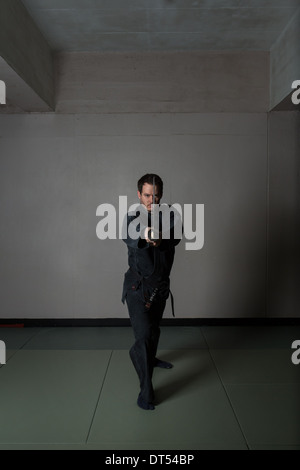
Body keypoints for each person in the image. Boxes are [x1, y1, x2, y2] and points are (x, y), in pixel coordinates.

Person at [122, 174, 181, 410]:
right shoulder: (132, 217)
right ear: (139, 195)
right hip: (138, 288)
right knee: (144, 336)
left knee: (154, 329)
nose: (151, 200)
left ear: (161, 195)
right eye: (147, 195)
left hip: (160, 287)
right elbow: (129, 235)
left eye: (155, 195)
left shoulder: (171, 216)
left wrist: (161, 240)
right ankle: (146, 392)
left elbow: (175, 237)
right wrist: (146, 237)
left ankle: (150, 358)